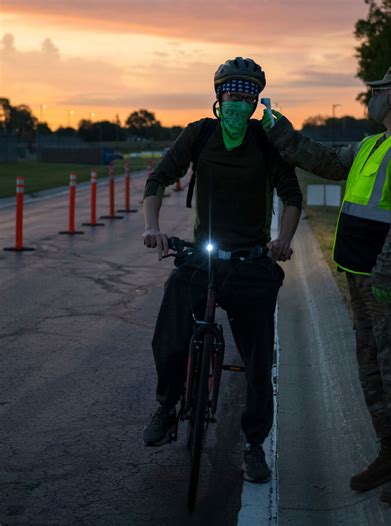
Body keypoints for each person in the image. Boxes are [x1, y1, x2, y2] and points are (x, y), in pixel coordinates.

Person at [261, 64, 391, 503]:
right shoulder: (375, 145)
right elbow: (326, 161)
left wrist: (387, 274)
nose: (374, 98)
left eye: (381, 90)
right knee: (375, 371)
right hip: (367, 281)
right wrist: (280, 131)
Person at [142, 57, 302, 483]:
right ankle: (168, 406)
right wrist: (152, 228)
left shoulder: (265, 140)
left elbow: (291, 196)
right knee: (171, 331)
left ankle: (253, 446)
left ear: (254, 102)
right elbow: (157, 180)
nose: (237, 103)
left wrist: (282, 240)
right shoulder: (200, 134)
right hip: (203, 257)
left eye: (246, 95)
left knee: (257, 358)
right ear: (218, 96)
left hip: (251, 259)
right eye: (231, 94)